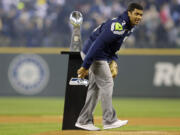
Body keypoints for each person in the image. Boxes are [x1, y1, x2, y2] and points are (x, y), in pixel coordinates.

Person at [75, 3, 143, 131]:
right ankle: (109, 120)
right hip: (95, 53)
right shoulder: (119, 25)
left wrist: (112, 60)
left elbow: (112, 46)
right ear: (129, 13)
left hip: (96, 53)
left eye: (141, 15)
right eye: (136, 14)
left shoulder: (128, 26)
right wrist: (85, 66)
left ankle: (83, 121)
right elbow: (98, 44)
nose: (139, 17)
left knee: (95, 89)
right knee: (107, 83)